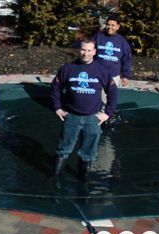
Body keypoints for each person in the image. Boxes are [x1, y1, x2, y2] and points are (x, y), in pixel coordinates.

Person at [50, 39, 118, 180]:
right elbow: (55, 88)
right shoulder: (68, 69)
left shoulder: (101, 70)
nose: (85, 53)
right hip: (71, 116)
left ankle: (82, 181)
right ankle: (54, 178)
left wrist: (107, 113)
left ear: (94, 52)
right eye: (82, 50)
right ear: (78, 50)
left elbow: (113, 91)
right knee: (63, 149)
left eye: (89, 50)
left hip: (93, 118)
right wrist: (57, 108)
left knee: (88, 153)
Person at [93, 15, 132, 91]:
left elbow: (126, 58)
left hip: (114, 76)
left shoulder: (122, 41)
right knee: (95, 97)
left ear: (118, 27)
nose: (110, 27)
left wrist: (125, 76)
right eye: (108, 25)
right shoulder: (98, 37)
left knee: (111, 97)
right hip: (97, 74)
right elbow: (89, 52)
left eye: (113, 25)